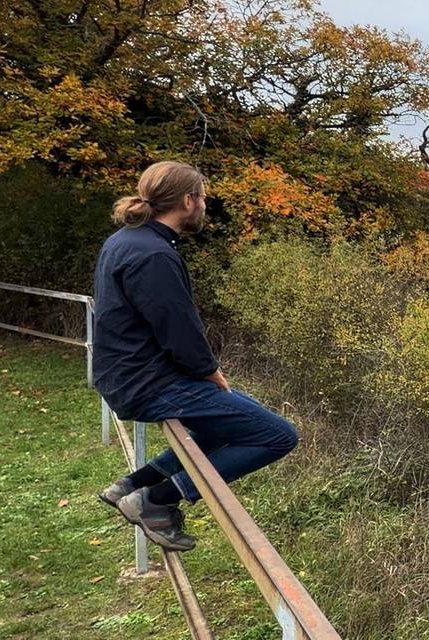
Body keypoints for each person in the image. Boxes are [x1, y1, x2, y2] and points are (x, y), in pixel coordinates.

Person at [91, 161, 298, 551]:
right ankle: (156, 500)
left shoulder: (126, 240)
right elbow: (178, 328)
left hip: (128, 373)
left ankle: (133, 484)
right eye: (202, 196)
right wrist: (210, 373)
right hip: (148, 382)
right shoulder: (153, 254)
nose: (205, 204)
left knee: (234, 416)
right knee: (278, 435)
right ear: (187, 201)